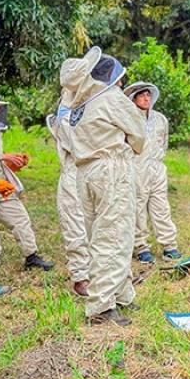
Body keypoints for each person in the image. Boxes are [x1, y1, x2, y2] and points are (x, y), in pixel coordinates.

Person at [62, 46, 146, 326]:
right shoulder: (111, 97)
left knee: (100, 234)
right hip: (111, 170)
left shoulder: (79, 104)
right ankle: (101, 306)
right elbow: (139, 135)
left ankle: (122, 294)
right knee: (114, 236)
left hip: (85, 172)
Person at [0, 96, 55, 300]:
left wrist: (11, 161)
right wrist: (0, 158)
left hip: (1, 183)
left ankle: (31, 256)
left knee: (20, 219)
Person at [123, 81, 181, 264]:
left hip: (157, 168)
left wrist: (156, 161)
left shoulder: (160, 119)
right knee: (137, 208)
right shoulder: (128, 118)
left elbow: (164, 142)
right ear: (134, 98)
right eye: (141, 95)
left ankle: (169, 245)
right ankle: (141, 247)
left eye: (148, 95)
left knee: (161, 207)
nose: (146, 98)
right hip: (136, 168)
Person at [47, 95, 90, 296]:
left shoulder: (94, 101)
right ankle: (80, 277)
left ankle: (96, 273)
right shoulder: (67, 109)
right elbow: (77, 142)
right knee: (75, 226)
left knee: (95, 226)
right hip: (74, 174)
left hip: (94, 173)